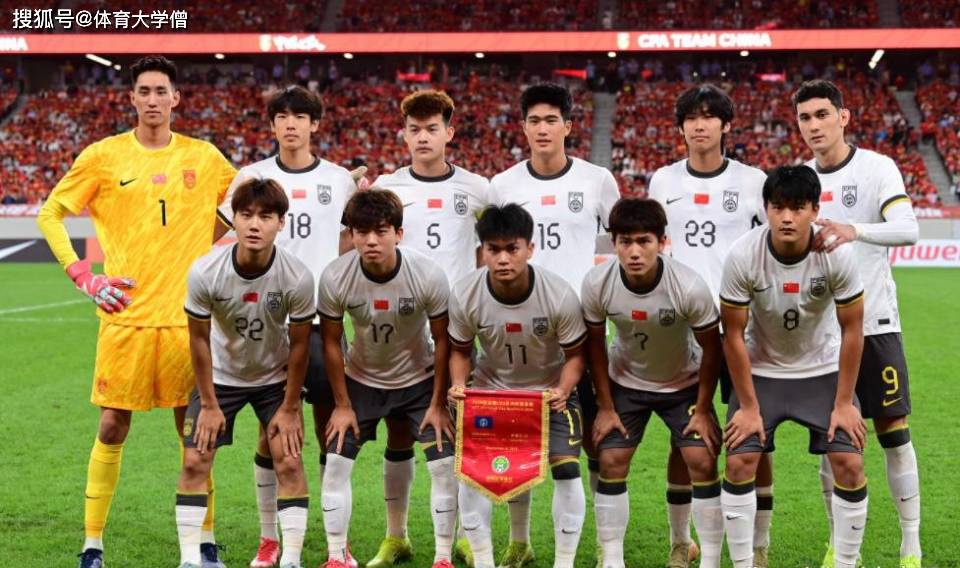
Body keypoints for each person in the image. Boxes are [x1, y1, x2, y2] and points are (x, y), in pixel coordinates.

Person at [35, 55, 236, 568]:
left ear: (176, 98)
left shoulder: (204, 157)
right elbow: (51, 213)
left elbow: (248, 202)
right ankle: (92, 544)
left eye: (160, 90)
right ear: (131, 98)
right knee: (111, 427)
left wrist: (205, 245)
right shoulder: (104, 156)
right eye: (143, 90)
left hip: (187, 322)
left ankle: (205, 541)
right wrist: (83, 275)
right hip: (124, 319)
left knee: (195, 435)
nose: (152, 99)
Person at [216, 85, 359, 568]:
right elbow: (221, 239)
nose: (291, 124)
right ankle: (269, 538)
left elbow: (349, 243)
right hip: (266, 326)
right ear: (273, 123)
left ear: (315, 124)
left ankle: (338, 543)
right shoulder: (251, 177)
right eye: (282, 116)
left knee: (328, 431)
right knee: (272, 433)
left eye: (300, 116)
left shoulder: (339, 180)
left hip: (321, 323)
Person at [487, 82, 619, 568]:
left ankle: (605, 545)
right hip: (519, 337)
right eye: (534, 121)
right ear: (522, 128)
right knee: (516, 444)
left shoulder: (597, 180)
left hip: (581, 333)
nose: (542, 129)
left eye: (551, 120)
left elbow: (621, 242)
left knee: (596, 445)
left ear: (568, 126)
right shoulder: (502, 186)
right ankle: (519, 542)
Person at [793, 79, 922, 568]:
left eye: (822, 114)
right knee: (835, 442)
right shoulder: (799, 179)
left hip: (875, 324)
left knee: (893, 431)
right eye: (805, 118)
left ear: (843, 117)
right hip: (822, 335)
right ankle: (839, 545)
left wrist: (855, 230)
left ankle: (910, 545)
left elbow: (908, 229)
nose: (814, 125)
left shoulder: (877, 168)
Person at [719, 165, 867, 568]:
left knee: (850, 463)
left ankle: (846, 562)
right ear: (765, 208)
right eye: (778, 207)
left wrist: (844, 403)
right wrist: (748, 407)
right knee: (739, 461)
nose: (787, 217)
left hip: (822, 371)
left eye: (798, 208)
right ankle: (745, 563)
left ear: (815, 210)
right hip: (762, 373)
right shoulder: (743, 254)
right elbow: (733, 335)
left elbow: (853, 329)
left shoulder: (836, 254)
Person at [647, 84, 770, 567]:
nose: (700, 125)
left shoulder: (753, 181)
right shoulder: (663, 180)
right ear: (681, 127)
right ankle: (682, 541)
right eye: (691, 118)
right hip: (682, 328)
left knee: (753, 436)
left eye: (709, 116)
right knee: (685, 436)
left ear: (725, 124)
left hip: (742, 326)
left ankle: (757, 546)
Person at [369, 89, 489, 568]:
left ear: (449, 133)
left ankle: (465, 536)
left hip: (459, 329)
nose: (423, 137)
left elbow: (493, 244)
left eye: (432, 129)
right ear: (404, 135)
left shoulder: (478, 189)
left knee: (464, 434)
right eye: (415, 130)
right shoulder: (387, 187)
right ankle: (395, 535)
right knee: (400, 432)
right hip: (402, 326)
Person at [318, 189, 458, 568]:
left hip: (419, 381)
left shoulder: (427, 273)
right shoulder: (335, 276)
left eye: (380, 231)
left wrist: (438, 403)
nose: (371, 241)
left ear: (399, 233)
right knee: (335, 461)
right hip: (362, 381)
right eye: (361, 232)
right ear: (351, 234)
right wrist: (342, 405)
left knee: (443, 464)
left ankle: (443, 557)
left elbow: (444, 339)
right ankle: (337, 557)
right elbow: (331, 341)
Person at [178, 178, 313, 568]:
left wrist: (291, 407)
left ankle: (290, 559)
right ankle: (190, 560)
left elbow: (300, 346)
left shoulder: (297, 276)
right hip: (220, 379)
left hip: (273, 380)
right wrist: (208, 404)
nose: (255, 225)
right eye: (246, 215)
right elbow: (198, 339)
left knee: (289, 460)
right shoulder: (205, 271)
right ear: (233, 219)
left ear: (281, 223)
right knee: (195, 460)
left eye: (266, 217)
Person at [582, 198, 724, 568]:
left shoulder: (688, 286)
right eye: (624, 242)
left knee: (700, 459)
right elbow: (594, 346)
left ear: (662, 242)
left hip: (683, 384)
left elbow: (713, 348)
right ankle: (611, 559)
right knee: (610, 459)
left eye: (644, 241)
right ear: (613, 243)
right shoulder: (597, 282)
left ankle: (685, 546)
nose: (634, 252)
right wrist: (605, 406)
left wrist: (703, 409)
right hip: (626, 384)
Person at [448, 203, 588, 568]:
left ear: (530, 248)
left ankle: (564, 563)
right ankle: (484, 561)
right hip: (491, 396)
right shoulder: (465, 293)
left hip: (548, 396)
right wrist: (459, 384)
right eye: (493, 250)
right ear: (482, 251)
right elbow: (460, 351)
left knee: (567, 469)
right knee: (473, 474)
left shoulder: (558, 294)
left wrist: (563, 389)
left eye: (512, 248)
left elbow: (576, 356)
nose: (503, 259)